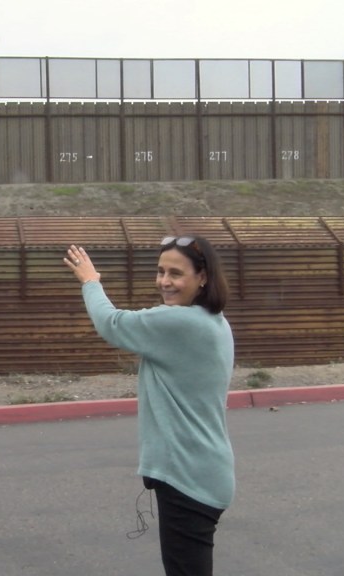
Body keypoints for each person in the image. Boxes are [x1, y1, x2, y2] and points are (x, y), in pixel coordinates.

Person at [64, 236, 235, 576]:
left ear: (203, 277)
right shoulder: (211, 320)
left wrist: (91, 280)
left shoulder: (182, 323)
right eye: (160, 271)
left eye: (176, 273)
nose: (165, 281)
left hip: (189, 477)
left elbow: (112, 324)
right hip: (201, 471)